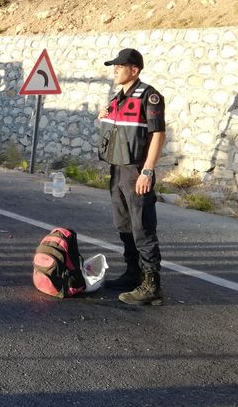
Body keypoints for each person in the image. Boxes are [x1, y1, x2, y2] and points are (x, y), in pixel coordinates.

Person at [97, 48, 166, 306]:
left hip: (137, 171)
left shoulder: (150, 96)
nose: (114, 70)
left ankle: (152, 285)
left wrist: (147, 171)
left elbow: (158, 134)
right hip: (117, 170)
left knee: (142, 227)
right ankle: (133, 273)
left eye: (119, 66)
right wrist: (104, 116)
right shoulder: (119, 97)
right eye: (114, 66)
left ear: (134, 70)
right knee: (123, 225)